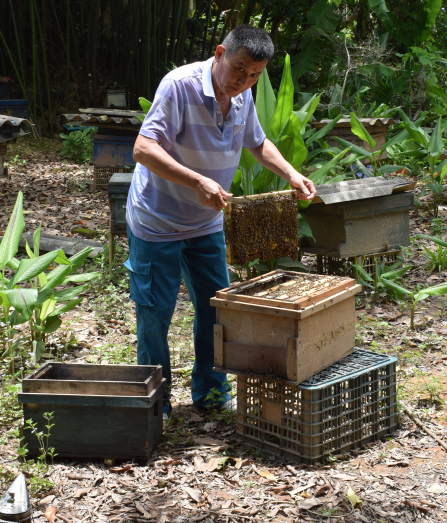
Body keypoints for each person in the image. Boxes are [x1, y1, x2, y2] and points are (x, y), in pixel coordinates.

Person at [125, 25, 316, 416]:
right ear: (219, 53)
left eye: (254, 76)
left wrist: (291, 174)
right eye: (239, 69)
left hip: (207, 223)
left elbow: (258, 142)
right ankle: (154, 405)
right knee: (155, 313)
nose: (243, 81)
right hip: (157, 221)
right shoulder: (179, 86)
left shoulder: (243, 98)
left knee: (218, 311)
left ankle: (211, 393)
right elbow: (143, 148)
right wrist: (196, 180)